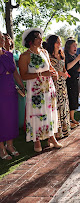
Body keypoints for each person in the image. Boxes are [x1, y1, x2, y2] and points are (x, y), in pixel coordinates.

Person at [18, 28, 62, 152]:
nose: (41, 39)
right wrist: (41, 74)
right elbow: (23, 76)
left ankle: (51, 137)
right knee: (36, 113)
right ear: (31, 40)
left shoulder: (44, 52)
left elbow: (50, 67)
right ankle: (36, 140)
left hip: (48, 88)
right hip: (35, 91)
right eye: (38, 37)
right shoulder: (25, 56)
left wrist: (54, 73)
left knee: (49, 112)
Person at [0, 31, 24, 160]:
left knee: (10, 118)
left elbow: (15, 73)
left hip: (10, 90)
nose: (3, 40)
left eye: (3, 38)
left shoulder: (9, 54)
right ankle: (1, 148)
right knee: (1, 119)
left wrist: (21, 86)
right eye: (1, 38)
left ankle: (10, 145)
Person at [46, 35, 71, 138]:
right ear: (52, 43)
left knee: (64, 105)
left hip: (62, 84)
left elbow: (63, 67)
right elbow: (49, 70)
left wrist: (65, 73)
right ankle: (57, 131)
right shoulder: (47, 55)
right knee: (56, 106)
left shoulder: (61, 54)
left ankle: (65, 129)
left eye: (60, 42)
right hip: (53, 83)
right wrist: (60, 73)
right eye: (57, 42)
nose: (59, 44)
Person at [64, 39, 80, 127]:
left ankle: (72, 118)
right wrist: (77, 59)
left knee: (74, 99)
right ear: (68, 46)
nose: (75, 47)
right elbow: (67, 67)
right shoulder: (66, 56)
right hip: (67, 80)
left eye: (76, 46)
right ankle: (68, 119)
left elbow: (77, 70)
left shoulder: (75, 56)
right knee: (69, 99)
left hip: (75, 80)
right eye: (73, 46)